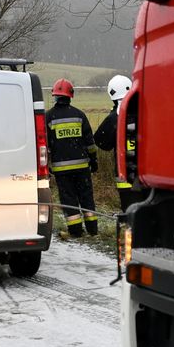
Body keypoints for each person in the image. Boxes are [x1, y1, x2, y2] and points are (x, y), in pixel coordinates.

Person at [46, 78, 98, 238]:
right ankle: (93, 230)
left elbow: (45, 145)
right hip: (82, 167)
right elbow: (90, 142)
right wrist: (93, 160)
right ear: (70, 96)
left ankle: (76, 231)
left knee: (68, 199)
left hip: (61, 169)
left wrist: (46, 165)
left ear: (55, 96)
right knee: (86, 197)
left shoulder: (49, 118)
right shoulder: (79, 115)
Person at [93, 74, 143, 213]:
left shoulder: (114, 117)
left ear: (112, 94)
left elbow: (101, 142)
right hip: (147, 174)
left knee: (129, 211)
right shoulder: (144, 111)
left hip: (125, 175)